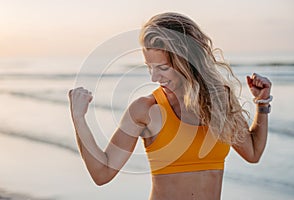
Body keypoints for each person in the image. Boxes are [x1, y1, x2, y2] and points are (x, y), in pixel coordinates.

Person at [68, 12, 272, 200]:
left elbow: (253, 152)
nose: (154, 77)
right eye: (149, 67)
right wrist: (79, 119)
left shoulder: (220, 100)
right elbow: (102, 173)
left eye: (163, 68)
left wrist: (261, 103)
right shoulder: (145, 109)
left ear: (187, 61)